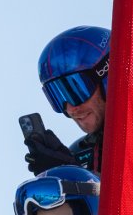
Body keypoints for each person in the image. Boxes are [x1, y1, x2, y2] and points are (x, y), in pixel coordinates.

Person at [22, 26, 110, 176]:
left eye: (76, 91)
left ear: (107, 77)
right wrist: (63, 175)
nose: (70, 109)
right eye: (58, 97)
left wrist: (76, 178)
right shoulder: (81, 153)